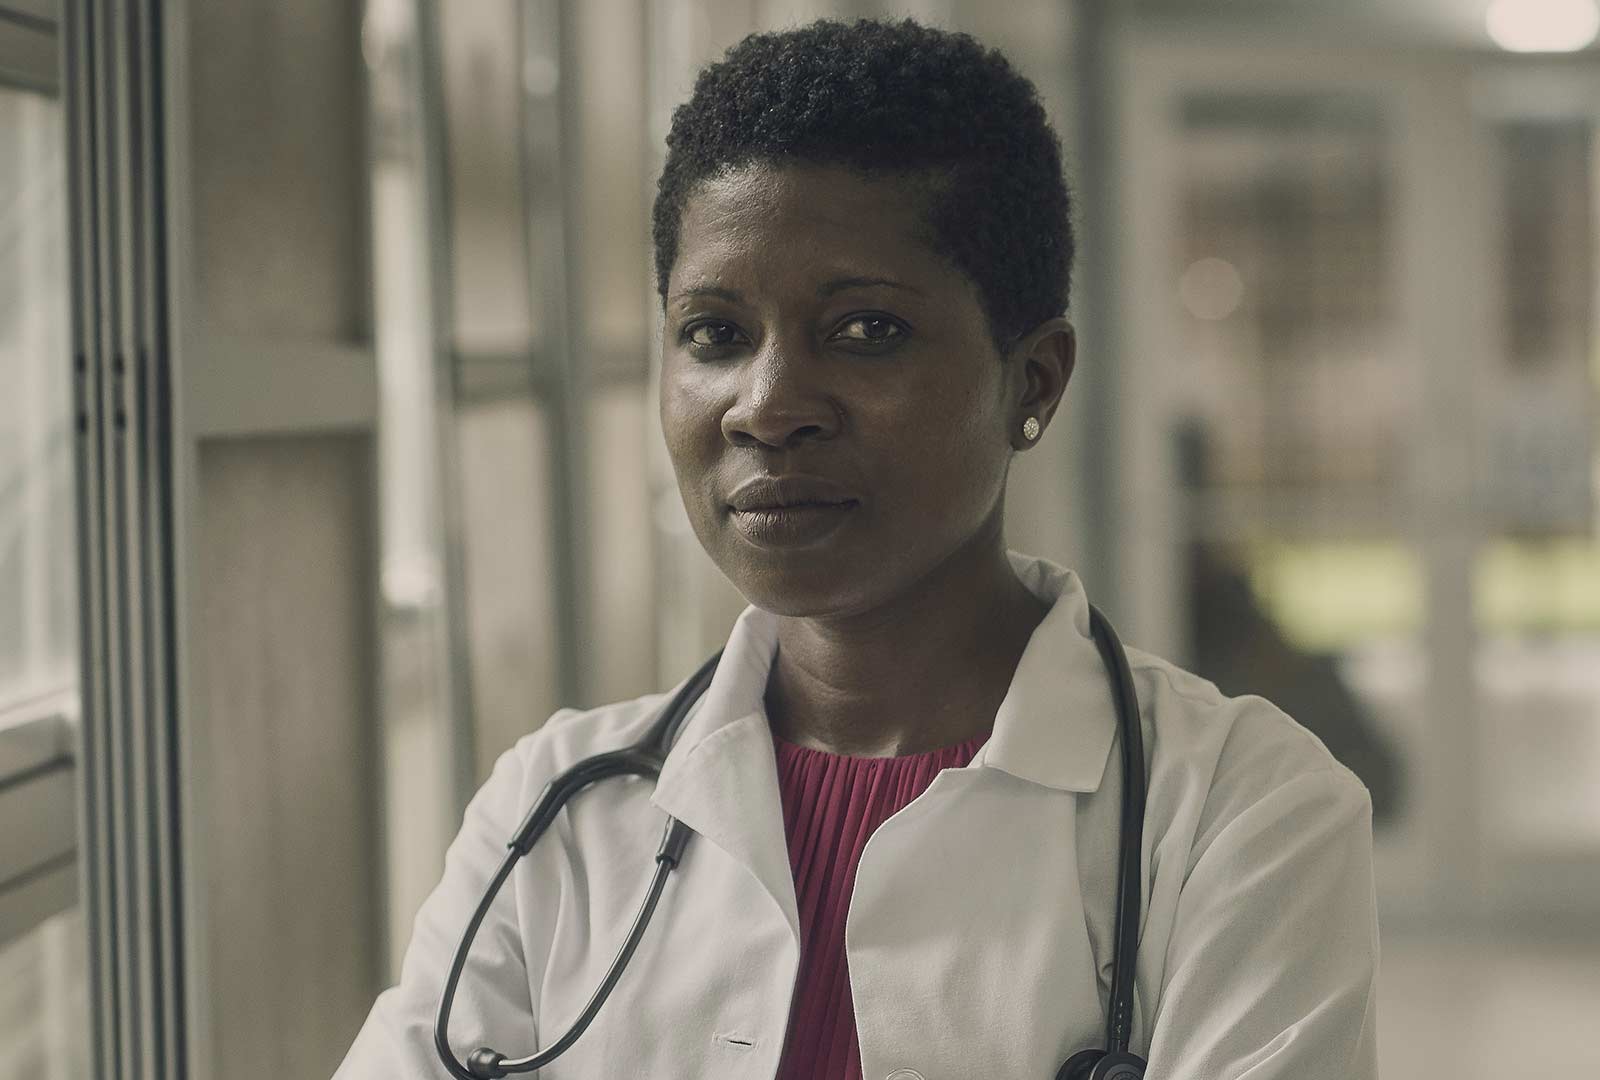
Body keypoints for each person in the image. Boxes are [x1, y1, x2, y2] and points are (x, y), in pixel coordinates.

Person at [335, 19, 1378, 1080]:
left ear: (1034, 382)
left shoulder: (1241, 814)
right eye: (714, 334)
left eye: (865, 329)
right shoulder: (556, 811)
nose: (767, 405)